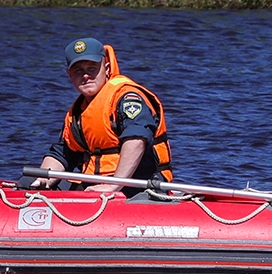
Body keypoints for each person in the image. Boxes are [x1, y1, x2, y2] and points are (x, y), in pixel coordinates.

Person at [30, 37, 173, 193]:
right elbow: (63, 153)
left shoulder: (127, 98)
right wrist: (44, 179)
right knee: (28, 182)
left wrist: (113, 186)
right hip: (95, 184)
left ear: (106, 68)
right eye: (78, 71)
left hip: (138, 185)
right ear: (69, 75)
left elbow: (137, 140)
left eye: (92, 68)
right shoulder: (79, 112)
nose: (85, 75)